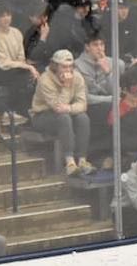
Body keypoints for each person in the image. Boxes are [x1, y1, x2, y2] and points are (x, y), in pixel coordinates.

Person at [31, 48, 93, 177]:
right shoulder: (45, 79)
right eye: (64, 67)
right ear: (55, 66)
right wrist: (66, 86)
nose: (68, 70)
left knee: (82, 118)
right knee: (63, 118)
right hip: (42, 115)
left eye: (70, 66)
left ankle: (82, 160)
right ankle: (70, 162)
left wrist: (70, 108)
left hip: (67, 111)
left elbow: (82, 104)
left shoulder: (77, 77)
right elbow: (57, 107)